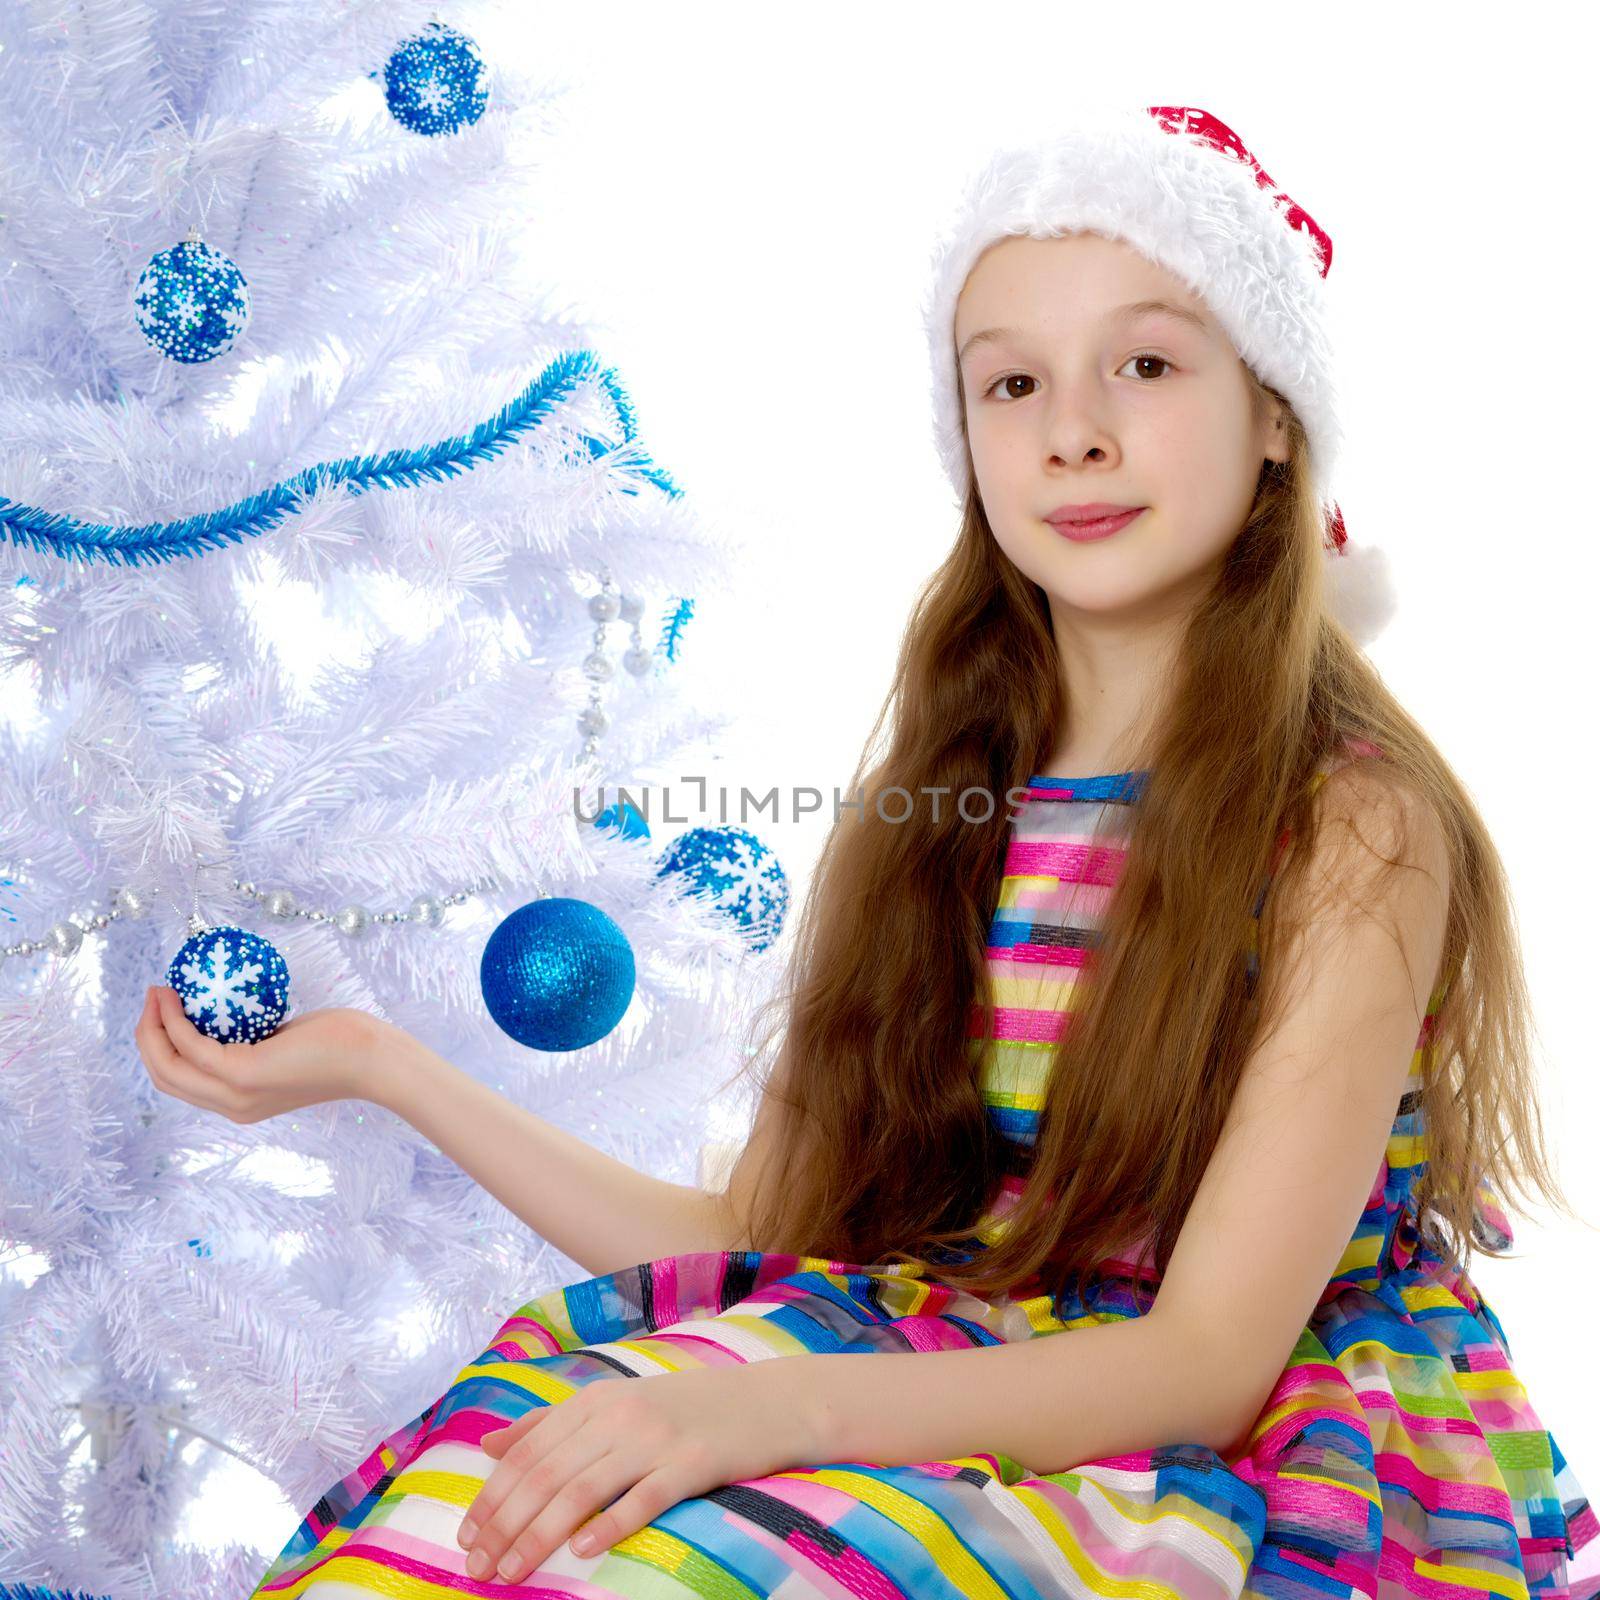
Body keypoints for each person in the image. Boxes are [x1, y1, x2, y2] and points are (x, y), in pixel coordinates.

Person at [136, 104, 1599, 1599]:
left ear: (1275, 414)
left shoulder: (1357, 827)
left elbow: (1208, 1363)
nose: (1074, 429)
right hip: (942, 1350)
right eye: (1012, 381)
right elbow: (760, 1235)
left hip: (1234, 1436)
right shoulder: (949, 804)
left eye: (1146, 365)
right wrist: (386, 1066)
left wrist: (763, 1411)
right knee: (471, 1532)